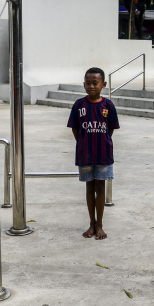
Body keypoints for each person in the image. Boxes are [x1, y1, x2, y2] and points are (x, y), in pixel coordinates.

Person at [67, 67, 120, 240]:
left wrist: (100, 142)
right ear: (83, 85)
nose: (91, 86)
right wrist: (84, 143)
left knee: (100, 187)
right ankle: (91, 223)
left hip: (103, 154)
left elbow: (110, 129)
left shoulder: (108, 105)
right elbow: (75, 129)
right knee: (89, 187)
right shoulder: (79, 105)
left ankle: (100, 225)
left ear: (103, 84)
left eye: (95, 83)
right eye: (88, 83)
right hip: (85, 155)